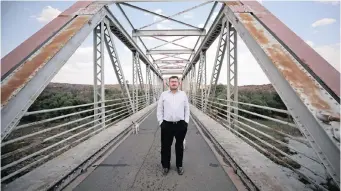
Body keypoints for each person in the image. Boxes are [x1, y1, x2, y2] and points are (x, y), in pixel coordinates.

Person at [157, 76, 189, 176]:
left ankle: (179, 166)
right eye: (172, 82)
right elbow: (159, 109)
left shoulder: (183, 94)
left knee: (179, 146)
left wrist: (186, 122)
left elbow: (187, 109)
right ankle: (166, 166)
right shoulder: (164, 95)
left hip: (180, 124)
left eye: (175, 81)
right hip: (167, 124)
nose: (174, 83)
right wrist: (161, 122)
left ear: (179, 83)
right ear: (169, 83)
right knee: (165, 147)